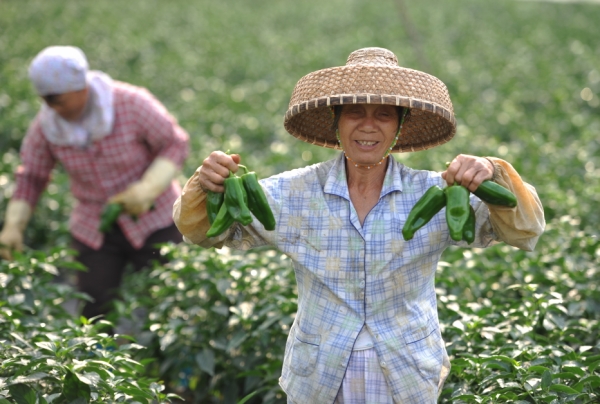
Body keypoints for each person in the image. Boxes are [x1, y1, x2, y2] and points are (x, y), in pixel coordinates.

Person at [172, 47, 544, 403]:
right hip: (318, 375)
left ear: (400, 125)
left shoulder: (438, 194)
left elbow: (525, 229)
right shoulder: (293, 192)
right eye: (354, 112)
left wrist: (493, 171)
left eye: (384, 114)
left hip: (406, 373)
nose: (368, 126)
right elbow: (202, 233)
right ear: (336, 121)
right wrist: (207, 184)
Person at [0, 46, 189, 322]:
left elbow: (174, 142)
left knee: (171, 296)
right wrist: (13, 226)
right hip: (95, 226)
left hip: (156, 218)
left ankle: (171, 347)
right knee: (95, 307)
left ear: (81, 88)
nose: (52, 108)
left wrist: (147, 188)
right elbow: (31, 175)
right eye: (45, 101)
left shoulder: (131, 103)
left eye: (58, 100)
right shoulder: (47, 127)